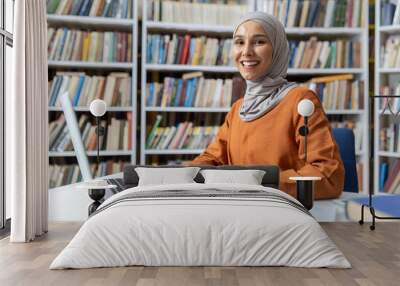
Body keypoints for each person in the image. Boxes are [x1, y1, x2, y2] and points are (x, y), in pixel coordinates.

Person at [191, 11, 345, 200]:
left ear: (277, 48)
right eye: (239, 42)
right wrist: (184, 176)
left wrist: (258, 184)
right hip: (241, 209)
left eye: (259, 42)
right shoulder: (238, 108)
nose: (246, 52)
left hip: (284, 213)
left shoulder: (301, 101)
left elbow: (328, 177)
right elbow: (212, 159)